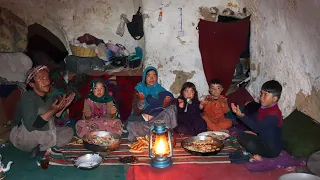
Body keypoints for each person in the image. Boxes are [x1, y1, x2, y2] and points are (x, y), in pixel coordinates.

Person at [10, 65, 75, 157]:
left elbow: (53, 119)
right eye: (41, 78)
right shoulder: (28, 97)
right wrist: (52, 111)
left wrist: (63, 107)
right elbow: (31, 126)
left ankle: (39, 148)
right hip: (22, 136)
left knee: (68, 131)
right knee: (43, 112)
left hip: (41, 134)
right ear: (32, 84)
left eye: (47, 77)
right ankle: (46, 145)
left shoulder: (48, 97)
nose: (46, 81)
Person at [231, 80, 283, 160]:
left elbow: (256, 128)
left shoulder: (274, 115)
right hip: (262, 139)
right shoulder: (264, 108)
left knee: (247, 142)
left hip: (271, 149)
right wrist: (241, 114)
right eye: (261, 93)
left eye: (265, 95)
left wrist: (241, 116)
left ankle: (260, 156)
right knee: (241, 135)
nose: (261, 97)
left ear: (274, 99)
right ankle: (257, 150)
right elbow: (256, 121)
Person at [126, 66, 177, 141]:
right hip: (143, 116)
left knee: (172, 108)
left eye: (154, 76)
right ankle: (157, 130)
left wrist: (164, 104)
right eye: (149, 76)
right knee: (161, 122)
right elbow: (136, 111)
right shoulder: (139, 89)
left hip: (158, 117)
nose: (152, 78)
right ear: (144, 77)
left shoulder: (160, 89)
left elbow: (166, 109)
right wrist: (142, 101)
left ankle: (137, 129)